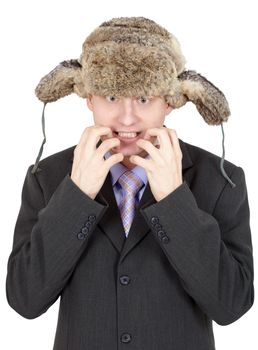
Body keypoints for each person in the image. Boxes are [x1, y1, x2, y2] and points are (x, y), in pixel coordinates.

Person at [6, 17, 254, 350]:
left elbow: (231, 306)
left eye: (143, 99)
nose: (126, 119)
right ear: (89, 98)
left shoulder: (222, 180)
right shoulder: (47, 178)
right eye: (111, 97)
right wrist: (76, 198)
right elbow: (25, 300)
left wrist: (174, 201)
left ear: (169, 101)